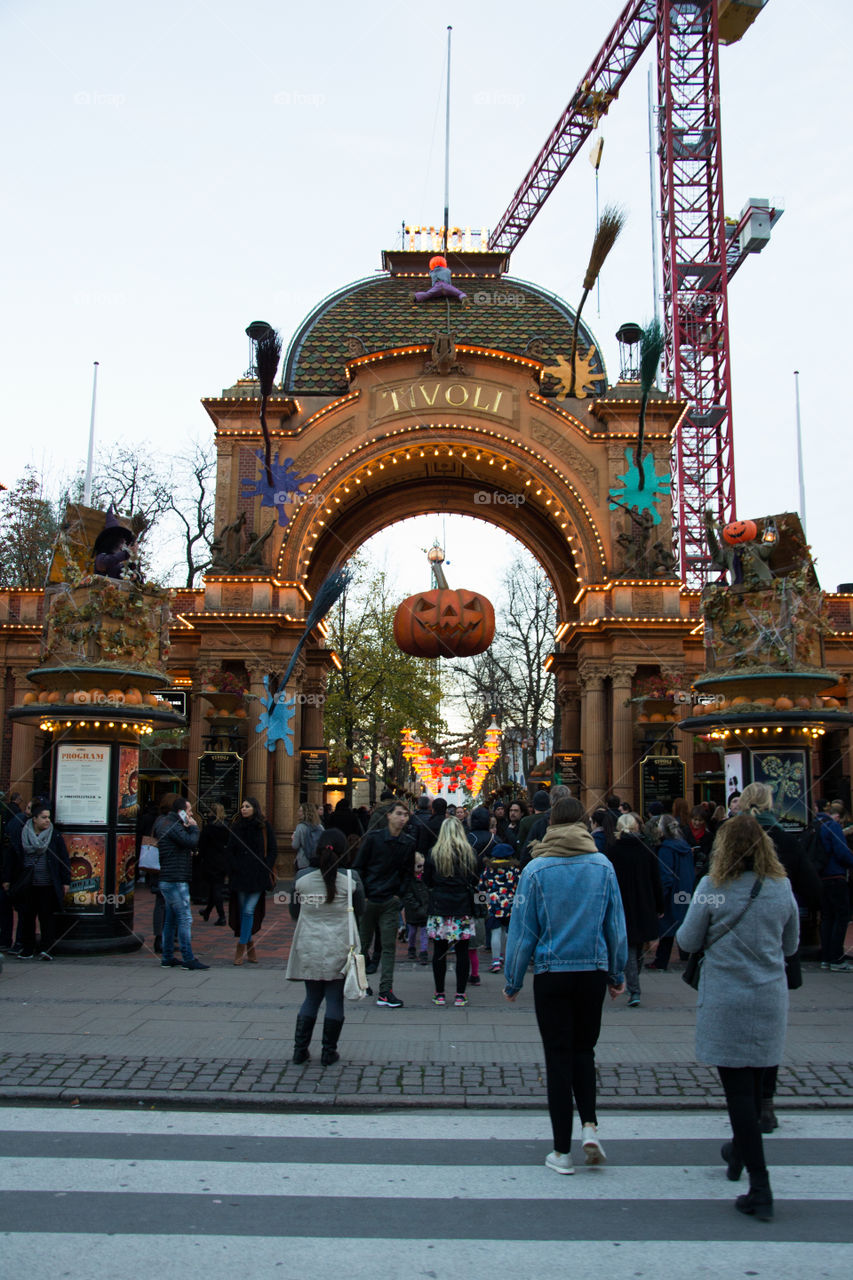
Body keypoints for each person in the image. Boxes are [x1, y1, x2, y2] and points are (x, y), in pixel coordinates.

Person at [676, 814, 800, 1222]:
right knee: (754, 1083)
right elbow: (791, 943)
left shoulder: (713, 888)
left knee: (738, 1092)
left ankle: (760, 1186)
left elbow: (688, 940)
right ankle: (736, 1153)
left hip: (726, 998)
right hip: (767, 996)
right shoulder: (780, 888)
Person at [503, 796, 627, 1175]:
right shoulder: (602, 866)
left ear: (551, 824)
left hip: (552, 973)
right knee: (584, 1052)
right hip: (591, 970)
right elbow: (615, 927)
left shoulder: (536, 870)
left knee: (557, 1057)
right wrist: (617, 974)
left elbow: (523, 931)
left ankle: (561, 1150)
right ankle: (589, 1125)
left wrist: (512, 978)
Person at [286, 828, 365, 1066]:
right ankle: (328, 1052)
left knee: (311, 998)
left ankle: (300, 1050)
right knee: (334, 1000)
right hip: (339, 945)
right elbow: (360, 911)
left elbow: (294, 912)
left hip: (309, 943)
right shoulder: (351, 880)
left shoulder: (302, 878)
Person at [353, 801, 415, 1008]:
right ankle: (361, 983)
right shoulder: (373, 839)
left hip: (390, 901)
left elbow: (408, 873)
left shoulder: (408, 842)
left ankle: (385, 990)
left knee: (388, 947)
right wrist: (363, 896)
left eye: (405, 815)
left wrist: (399, 896)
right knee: (362, 945)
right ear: (389, 816)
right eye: (399, 814)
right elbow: (358, 867)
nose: (402, 818)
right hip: (369, 900)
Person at [604, 813, 663, 1006]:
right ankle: (634, 987)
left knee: (630, 945)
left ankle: (630, 984)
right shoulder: (648, 850)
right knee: (635, 946)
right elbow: (656, 880)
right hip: (643, 903)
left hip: (621, 903)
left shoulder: (611, 851)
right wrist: (660, 905)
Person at [423, 818, 482, 1007]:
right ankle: (460, 994)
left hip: (440, 906)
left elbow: (427, 881)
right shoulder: (470, 853)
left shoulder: (434, 853)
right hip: (462, 906)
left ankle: (439, 993)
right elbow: (475, 879)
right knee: (462, 951)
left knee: (439, 951)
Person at [2, 802, 70, 960]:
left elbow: (63, 859)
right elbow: (11, 857)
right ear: (34, 819)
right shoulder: (21, 834)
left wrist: (65, 881)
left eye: (48, 817)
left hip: (47, 883)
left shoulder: (54, 835)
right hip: (27, 883)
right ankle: (27, 948)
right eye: (43, 817)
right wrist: (7, 879)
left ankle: (46, 948)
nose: (47, 821)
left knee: (47, 917)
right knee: (26, 917)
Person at [152, 797, 208, 970]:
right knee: (184, 919)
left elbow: (181, 845)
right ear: (181, 812)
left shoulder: (166, 823)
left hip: (169, 878)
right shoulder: (173, 826)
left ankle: (167, 957)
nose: (191, 814)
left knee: (171, 920)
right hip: (175, 879)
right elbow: (191, 841)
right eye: (189, 811)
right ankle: (188, 958)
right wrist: (194, 827)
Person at [225, 797, 278, 965]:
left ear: (255, 808)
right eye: (242, 806)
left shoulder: (264, 827)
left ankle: (241, 946)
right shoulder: (236, 827)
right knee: (242, 911)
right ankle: (250, 944)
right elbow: (230, 850)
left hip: (257, 875)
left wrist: (266, 866)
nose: (243, 809)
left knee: (248, 910)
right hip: (240, 875)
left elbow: (272, 849)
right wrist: (235, 867)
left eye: (247, 806)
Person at [648, 814, 695, 970]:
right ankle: (685, 956)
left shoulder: (666, 849)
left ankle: (661, 961)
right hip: (684, 890)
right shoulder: (685, 847)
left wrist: (660, 899)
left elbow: (666, 877)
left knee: (667, 928)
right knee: (681, 923)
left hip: (671, 893)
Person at [814, 808, 853, 972]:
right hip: (835, 875)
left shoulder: (814, 826)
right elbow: (841, 851)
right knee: (842, 916)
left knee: (827, 917)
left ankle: (826, 957)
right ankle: (836, 957)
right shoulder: (832, 826)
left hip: (821, 877)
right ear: (836, 815)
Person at [478, 841, 521, 971]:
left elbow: (481, 889)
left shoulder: (488, 871)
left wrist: (484, 905)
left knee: (495, 932)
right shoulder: (514, 870)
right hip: (511, 905)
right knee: (508, 932)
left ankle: (496, 961)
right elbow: (520, 888)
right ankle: (507, 958)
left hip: (493, 905)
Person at [197, 803, 229, 925]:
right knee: (215, 887)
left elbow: (202, 846)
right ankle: (207, 911)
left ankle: (222, 916)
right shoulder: (227, 827)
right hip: (223, 861)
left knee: (216, 888)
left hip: (211, 861)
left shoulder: (209, 828)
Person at [401, 850, 430, 963]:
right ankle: (411, 948)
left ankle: (423, 951)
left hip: (422, 909)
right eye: (419, 866)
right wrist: (417, 907)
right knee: (412, 932)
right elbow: (408, 896)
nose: (422, 869)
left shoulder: (424, 878)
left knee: (423, 932)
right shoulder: (409, 880)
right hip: (414, 911)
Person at [292, 802, 325, 871]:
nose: (298, 813)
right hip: (318, 861)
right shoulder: (320, 827)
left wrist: (293, 838)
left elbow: (295, 845)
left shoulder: (300, 827)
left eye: (300, 811)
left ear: (306, 813)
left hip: (303, 861)